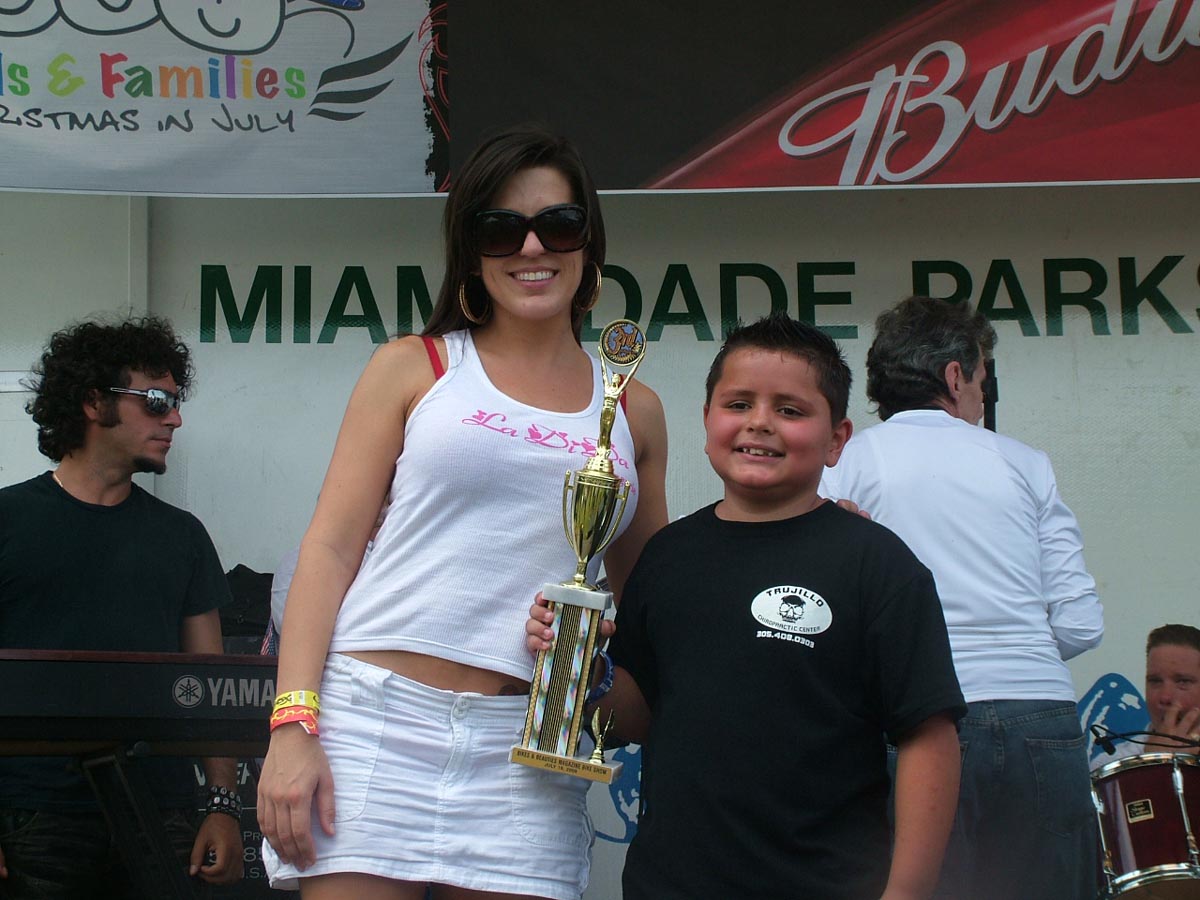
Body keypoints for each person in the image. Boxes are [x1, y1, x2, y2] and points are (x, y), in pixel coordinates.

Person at [257, 125, 668, 900]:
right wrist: (293, 725)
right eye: (501, 228)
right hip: (373, 720)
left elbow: (656, 599)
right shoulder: (413, 366)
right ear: (470, 250)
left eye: (559, 223)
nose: (532, 246)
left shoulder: (634, 409)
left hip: (526, 744)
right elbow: (330, 550)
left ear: (590, 243)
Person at [530, 312, 965, 900]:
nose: (759, 423)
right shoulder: (668, 556)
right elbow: (638, 717)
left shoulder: (878, 563)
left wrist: (907, 892)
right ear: (707, 419)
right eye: (738, 404)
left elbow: (928, 737)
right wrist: (585, 667)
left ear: (837, 440)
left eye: (790, 410)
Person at [819, 295, 1105, 900]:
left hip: (915, 722)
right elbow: (1079, 624)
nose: (981, 394)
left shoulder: (844, 463)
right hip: (1041, 714)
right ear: (955, 376)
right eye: (981, 378)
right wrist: (1013, 650)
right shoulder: (1025, 463)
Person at [0, 317, 243, 898]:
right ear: (92, 402)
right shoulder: (8, 520)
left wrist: (222, 806)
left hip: (161, 814)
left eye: (176, 402)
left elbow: (211, 685)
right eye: (156, 400)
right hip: (31, 817)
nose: (174, 418)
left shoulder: (182, 536)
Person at [1091, 623, 1200, 766]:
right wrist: (1154, 763)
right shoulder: (1112, 763)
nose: (1165, 697)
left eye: (1183, 681)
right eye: (1155, 681)